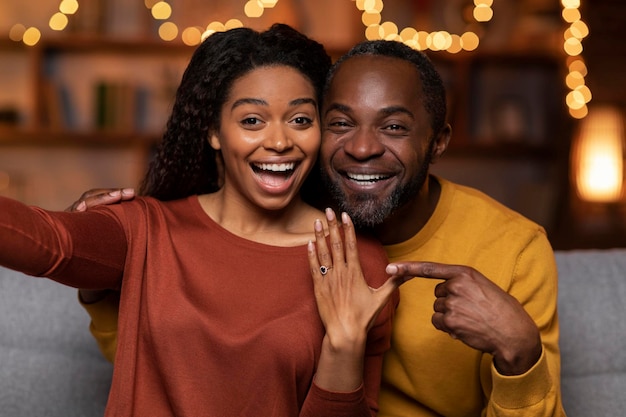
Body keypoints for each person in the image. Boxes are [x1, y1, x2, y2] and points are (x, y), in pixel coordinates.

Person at [71, 40, 566, 416]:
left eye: (393, 127)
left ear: (438, 142)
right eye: (339, 123)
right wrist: (100, 285)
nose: (362, 149)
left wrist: (519, 354)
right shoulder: (284, 209)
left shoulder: (514, 250)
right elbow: (178, 362)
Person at [0, 24, 403, 417]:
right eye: (251, 120)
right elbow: (48, 242)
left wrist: (344, 345)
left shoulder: (355, 260)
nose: (280, 142)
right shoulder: (146, 228)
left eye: (300, 119)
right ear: (213, 130)